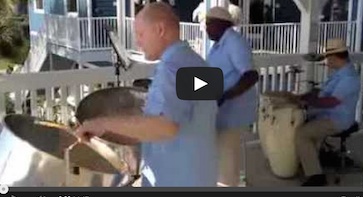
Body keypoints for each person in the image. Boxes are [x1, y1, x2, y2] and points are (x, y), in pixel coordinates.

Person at [76, 2, 218, 187]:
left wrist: (101, 123)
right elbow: (186, 120)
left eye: (141, 34)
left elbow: (166, 127)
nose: (137, 42)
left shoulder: (172, 68)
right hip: (199, 175)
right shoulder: (195, 62)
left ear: (160, 29)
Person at [294, 39, 361, 186]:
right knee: (309, 127)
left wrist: (308, 102)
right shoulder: (340, 73)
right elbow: (324, 92)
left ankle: (316, 177)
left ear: (335, 57)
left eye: (328, 57)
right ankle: (312, 161)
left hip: (337, 121)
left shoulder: (349, 78)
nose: (326, 61)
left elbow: (331, 101)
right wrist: (305, 96)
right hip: (327, 115)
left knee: (301, 134)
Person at [205, 7, 259, 187]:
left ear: (221, 24)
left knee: (228, 160)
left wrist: (225, 95)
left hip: (234, 112)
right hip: (220, 109)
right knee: (219, 155)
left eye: (208, 24)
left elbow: (250, 76)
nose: (205, 28)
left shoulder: (234, 42)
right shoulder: (218, 44)